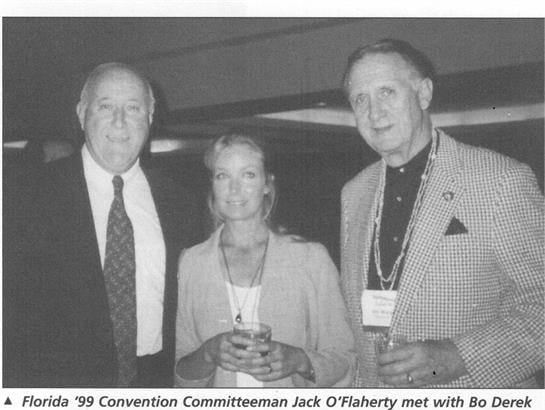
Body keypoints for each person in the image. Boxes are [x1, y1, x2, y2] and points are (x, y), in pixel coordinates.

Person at [340, 39, 544, 387]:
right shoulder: (354, 193)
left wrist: (460, 355)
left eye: (387, 92)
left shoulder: (499, 180)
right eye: (360, 99)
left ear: (423, 94)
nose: (374, 113)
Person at [4, 62, 201, 387]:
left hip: (154, 389)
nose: (120, 121)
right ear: (82, 113)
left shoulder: (180, 203)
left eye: (133, 108)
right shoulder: (24, 198)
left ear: (150, 117)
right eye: (106, 106)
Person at [175, 133, 355, 387]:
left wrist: (300, 361)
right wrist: (207, 353)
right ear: (212, 185)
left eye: (248, 175)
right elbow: (180, 372)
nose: (234, 189)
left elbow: (345, 358)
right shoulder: (191, 263)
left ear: (267, 184)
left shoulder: (311, 259)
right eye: (222, 175)